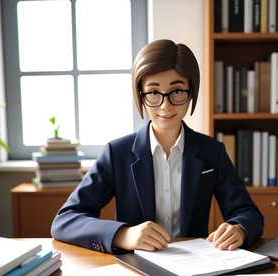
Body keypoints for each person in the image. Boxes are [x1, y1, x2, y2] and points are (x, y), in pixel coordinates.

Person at [51, 39, 264, 254]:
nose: (166, 105)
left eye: (177, 91)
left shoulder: (212, 152)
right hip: (134, 266)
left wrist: (239, 229)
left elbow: (249, 214)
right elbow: (66, 220)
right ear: (141, 96)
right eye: (153, 92)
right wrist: (124, 234)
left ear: (191, 92)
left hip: (196, 265)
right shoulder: (117, 154)